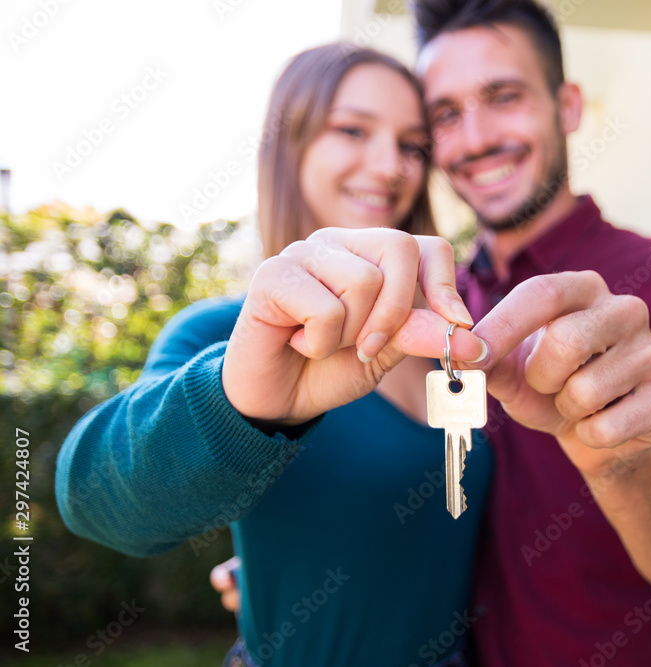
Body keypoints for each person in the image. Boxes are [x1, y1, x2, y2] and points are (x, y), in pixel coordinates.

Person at [215, 1, 651, 665]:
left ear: (568, 106)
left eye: (504, 96)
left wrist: (626, 460)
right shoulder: (439, 297)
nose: (475, 138)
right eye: (446, 115)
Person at [55, 43, 494, 667]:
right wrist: (243, 406)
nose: (390, 164)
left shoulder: (449, 336)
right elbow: (97, 500)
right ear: (290, 146)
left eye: (412, 144)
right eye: (352, 129)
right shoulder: (223, 332)